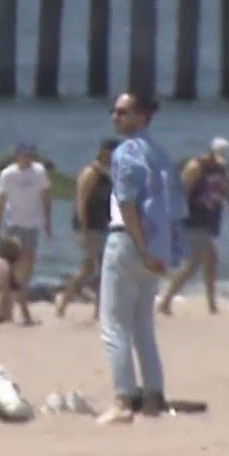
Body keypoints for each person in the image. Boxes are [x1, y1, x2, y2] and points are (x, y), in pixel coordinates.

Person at [96, 92, 188, 426]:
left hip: (127, 240)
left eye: (124, 112)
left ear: (143, 116)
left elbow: (127, 203)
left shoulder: (126, 152)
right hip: (156, 245)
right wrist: (167, 251)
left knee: (114, 324)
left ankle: (123, 398)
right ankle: (153, 395)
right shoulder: (160, 155)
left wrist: (141, 246)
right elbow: (177, 208)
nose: (116, 117)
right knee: (142, 325)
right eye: (114, 111)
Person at [157, 137, 229, 317]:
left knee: (211, 259)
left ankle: (211, 306)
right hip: (192, 220)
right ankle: (165, 302)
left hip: (208, 220)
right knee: (194, 263)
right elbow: (180, 191)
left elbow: (225, 191)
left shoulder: (219, 168)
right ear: (209, 151)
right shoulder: (195, 167)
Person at [60, 138, 119, 319]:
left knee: (96, 267)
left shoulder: (106, 174)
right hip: (89, 227)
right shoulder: (90, 173)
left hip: (103, 225)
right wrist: (83, 229)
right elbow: (81, 201)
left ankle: (94, 308)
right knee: (95, 267)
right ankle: (68, 301)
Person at [0, 143, 51, 293]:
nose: (28, 158)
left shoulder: (39, 172)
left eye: (30, 155)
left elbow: (45, 197)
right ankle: (13, 295)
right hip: (13, 224)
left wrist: (47, 222)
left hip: (32, 224)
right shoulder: (7, 174)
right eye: (25, 155)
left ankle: (20, 293)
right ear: (17, 156)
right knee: (14, 261)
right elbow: (0, 202)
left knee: (29, 262)